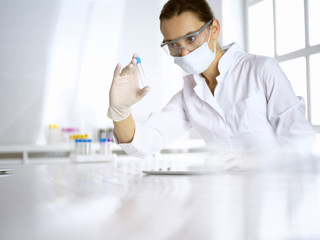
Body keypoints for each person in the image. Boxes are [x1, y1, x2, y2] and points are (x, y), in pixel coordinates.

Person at [107, 0, 315, 158]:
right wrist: (121, 111)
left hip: (275, 194)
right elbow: (144, 144)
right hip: (221, 199)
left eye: (190, 38)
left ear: (213, 29)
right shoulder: (188, 95)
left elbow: (300, 140)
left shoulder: (261, 70)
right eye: (172, 44)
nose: (183, 51)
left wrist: (262, 165)